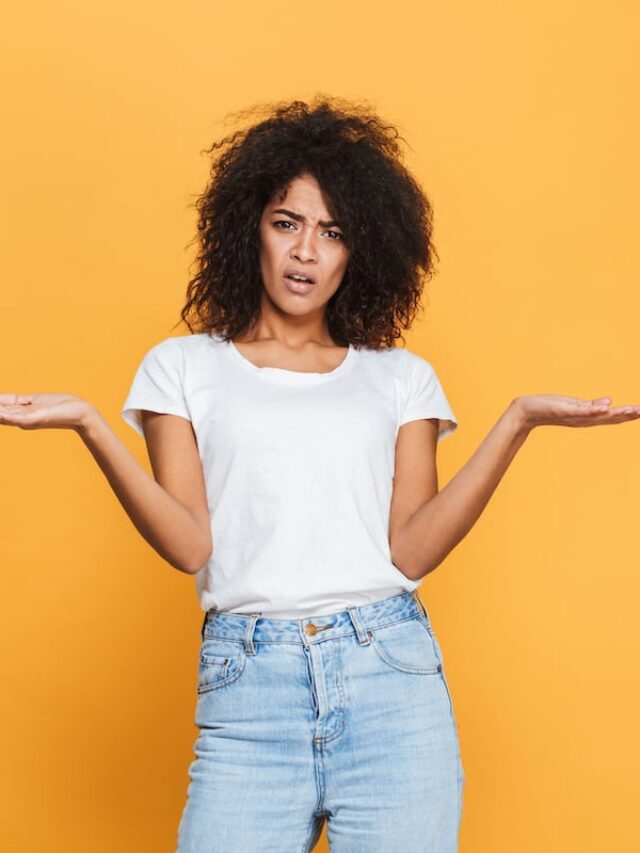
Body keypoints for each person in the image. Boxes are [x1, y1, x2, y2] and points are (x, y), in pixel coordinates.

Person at [1, 95, 638, 853]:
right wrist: (89, 424)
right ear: (251, 230)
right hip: (249, 687)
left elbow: (412, 551)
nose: (306, 251)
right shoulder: (182, 368)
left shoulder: (399, 378)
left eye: (332, 232)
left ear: (359, 251)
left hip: (391, 682)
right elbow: (189, 546)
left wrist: (518, 421)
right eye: (286, 222)